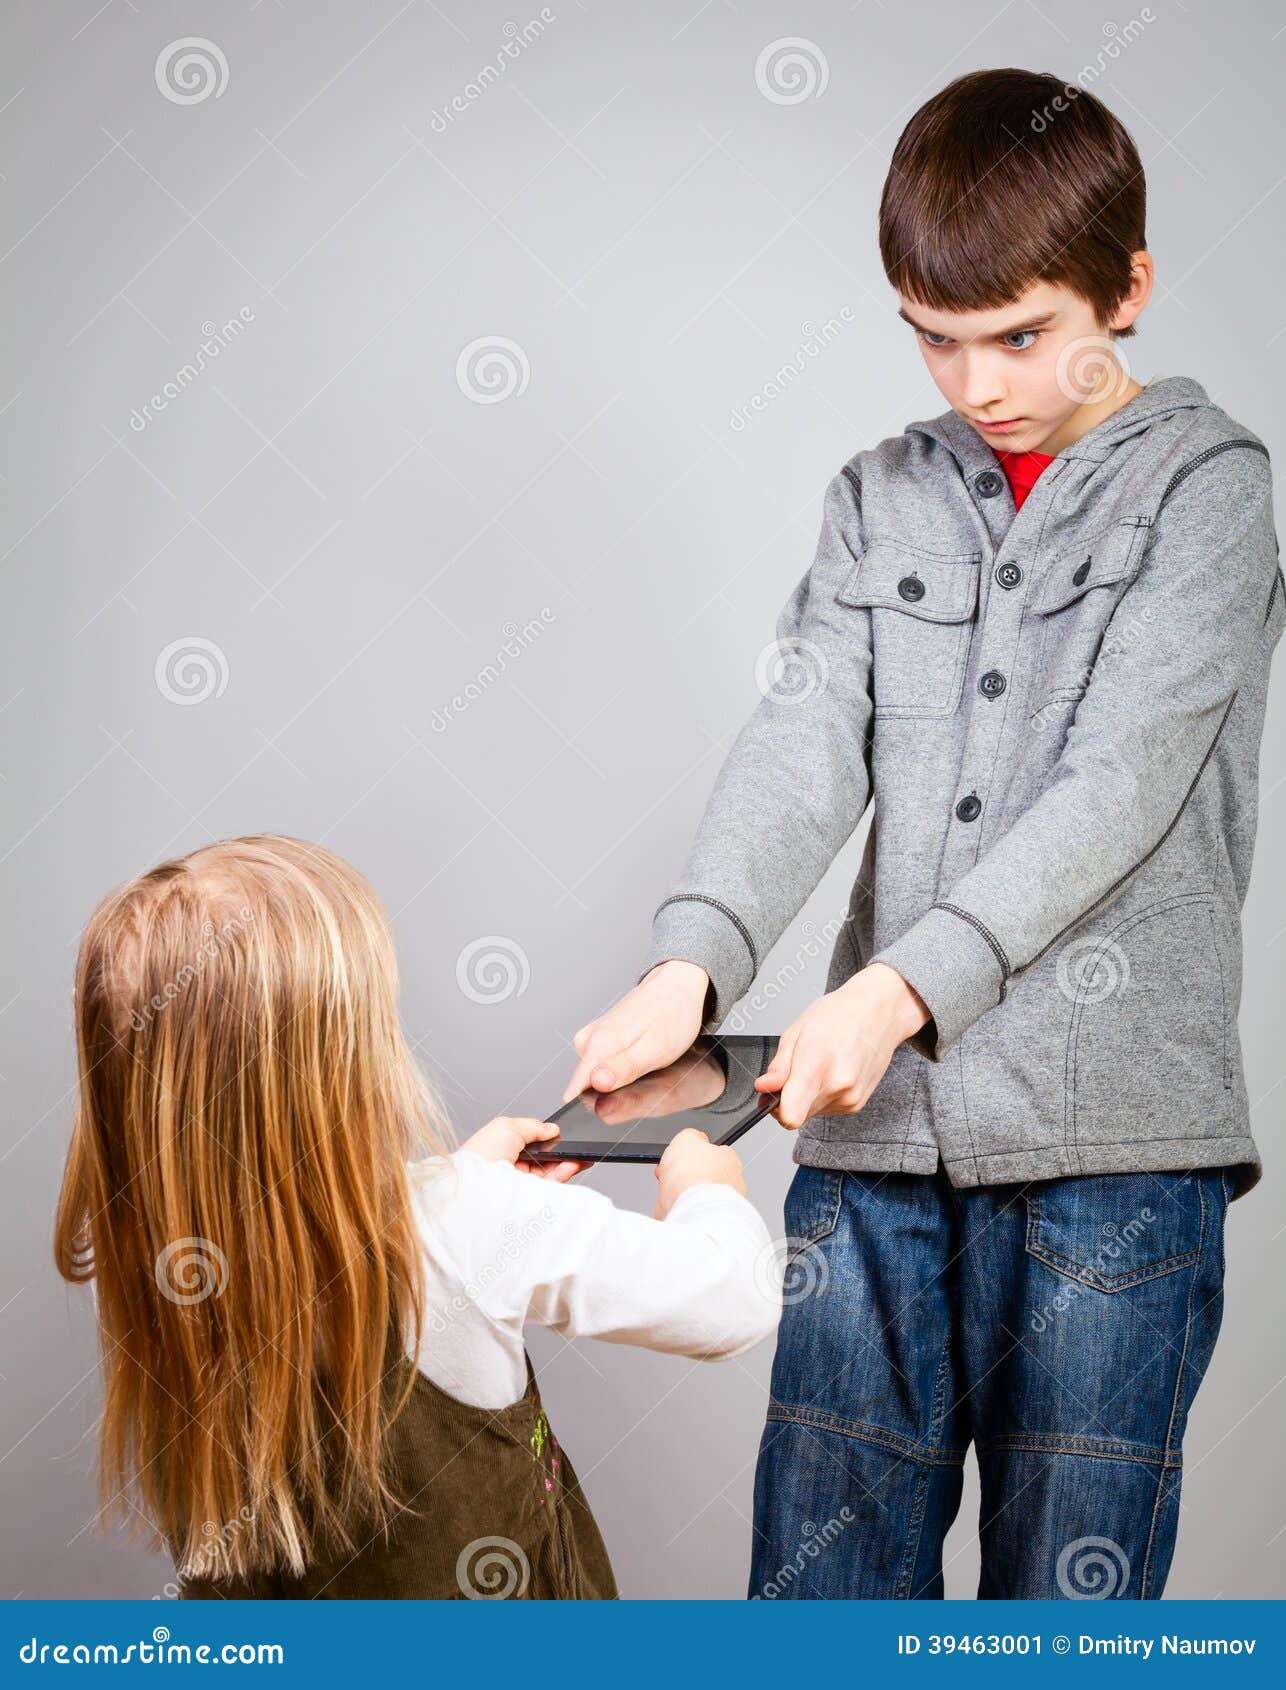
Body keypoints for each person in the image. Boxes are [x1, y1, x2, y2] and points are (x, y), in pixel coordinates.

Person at [563, 68, 1283, 1599]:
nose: (975, 384)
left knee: (1055, 1626)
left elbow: (1120, 787)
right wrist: (687, 969)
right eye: (934, 339)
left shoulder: (1210, 496)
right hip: (871, 1145)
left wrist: (892, 992)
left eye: (1018, 335)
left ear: (1127, 288)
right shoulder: (876, 497)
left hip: (1113, 1157)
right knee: (815, 1605)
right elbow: (806, 737)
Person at [54, 834, 780, 1599]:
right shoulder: (473, 1223)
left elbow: (340, 1230)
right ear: (340, 1066)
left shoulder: (143, 1253)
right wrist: (707, 1186)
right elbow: (734, 1303)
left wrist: (462, 1180)